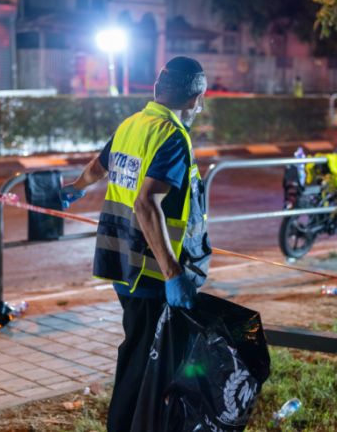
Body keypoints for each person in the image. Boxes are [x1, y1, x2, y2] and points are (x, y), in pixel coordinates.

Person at [60, 56, 211, 431]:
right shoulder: (173, 137)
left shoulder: (133, 124)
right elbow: (146, 203)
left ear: (157, 90)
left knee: (140, 352)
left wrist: (76, 188)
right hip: (151, 273)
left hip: (123, 264)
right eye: (201, 99)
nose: (201, 106)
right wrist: (174, 273)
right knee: (146, 362)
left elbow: (101, 162)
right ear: (193, 100)